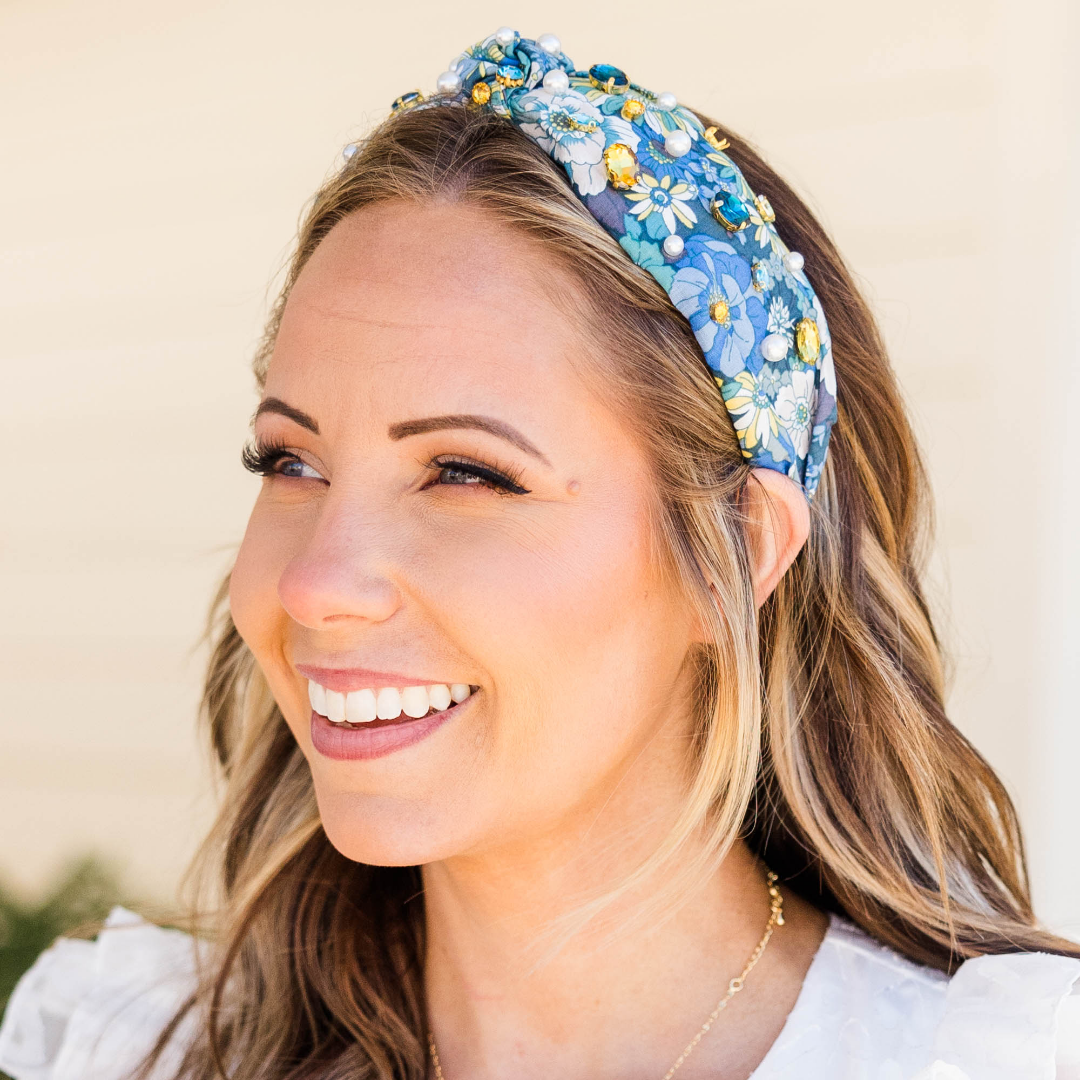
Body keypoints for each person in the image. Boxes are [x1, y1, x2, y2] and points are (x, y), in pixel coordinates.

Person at [2, 27, 1078, 1080]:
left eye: (466, 473)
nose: (317, 584)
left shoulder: (986, 1060)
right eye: (290, 460)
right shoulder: (137, 1051)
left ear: (738, 549)